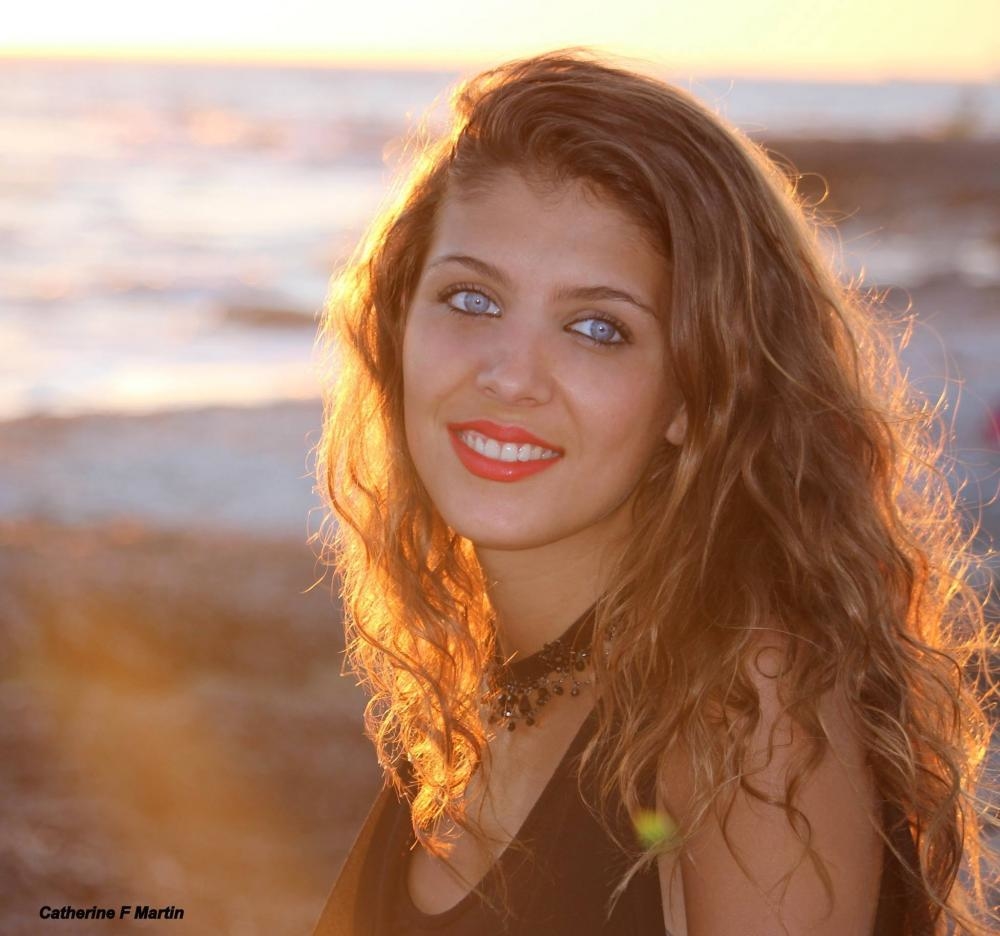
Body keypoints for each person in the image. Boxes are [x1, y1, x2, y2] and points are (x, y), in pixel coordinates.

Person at [310, 49, 997, 935]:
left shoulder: (749, 711)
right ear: (398, 325)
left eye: (598, 328)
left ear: (693, 395)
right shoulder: (465, 704)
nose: (510, 376)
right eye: (472, 299)